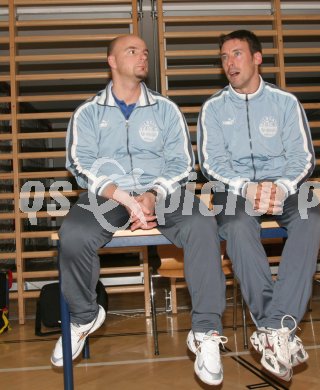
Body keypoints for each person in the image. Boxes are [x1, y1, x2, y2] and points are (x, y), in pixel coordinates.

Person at [50, 34, 228, 387]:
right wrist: (122, 196)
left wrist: (151, 194)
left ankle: (206, 331)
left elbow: (183, 162)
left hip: (163, 191)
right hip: (107, 194)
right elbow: (78, 162)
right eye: (132, 51)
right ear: (112, 62)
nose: (142, 56)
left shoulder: (165, 109)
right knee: (73, 234)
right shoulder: (88, 112)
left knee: (202, 223)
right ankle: (84, 317)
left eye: (145, 51)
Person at [197, 29, 320, 381]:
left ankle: (273, 329)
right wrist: (246, 188)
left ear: (257, 58)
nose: (229, 63)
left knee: (310, 215)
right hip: (234, 190)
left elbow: (303, 156)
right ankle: (278, 327)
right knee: (236, 225)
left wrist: (281, 187)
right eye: (224, 57)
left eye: (236, 54)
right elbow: (210, 163)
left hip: (284, 185)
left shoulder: (285, 103)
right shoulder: (213, 107)